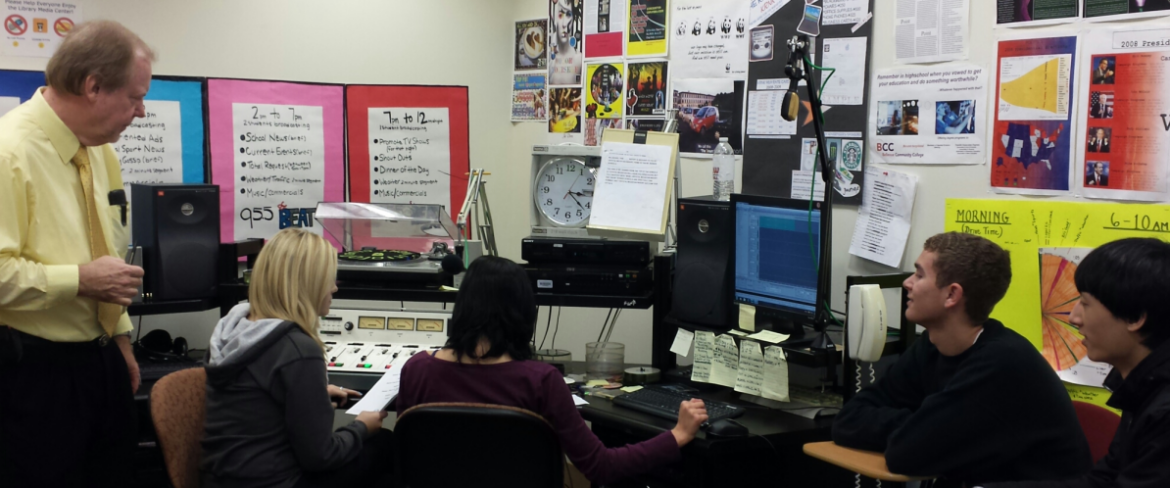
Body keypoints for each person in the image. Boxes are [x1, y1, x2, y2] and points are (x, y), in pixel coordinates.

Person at [395, 256, 709, 486]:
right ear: (522, 315)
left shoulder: (417, 370)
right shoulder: (540, 381)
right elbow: (602, 467)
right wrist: (677, 435)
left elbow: (407, 458)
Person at [0, 20, 152, 487]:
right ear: (93, 86)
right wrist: (81, 280)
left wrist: (122, 342)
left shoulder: (100, 152)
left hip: (101, 359)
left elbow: (106, 251)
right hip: (33, 373)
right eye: (134, 97)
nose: (141, 112)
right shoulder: (11, 154)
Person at [832, 232, 1092, 488]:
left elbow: (906, 455)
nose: (907, 283)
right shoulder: (932, 346)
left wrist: (921, 428)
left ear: (951, 295)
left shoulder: (1001, 363)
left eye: (920, 274)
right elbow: (848, 419)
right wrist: (920, 424)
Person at [201, 228, 393, 488]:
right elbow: (321, 457)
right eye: (328, 279)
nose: (334, 287)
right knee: (386, 444)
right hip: (278, 482)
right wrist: (361, 426)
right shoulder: (298, 349)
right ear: (308, 284)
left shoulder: (232, 330)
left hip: (223, 478)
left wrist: (314, 395)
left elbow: (254, 404)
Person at [980, 238, 1170, 488]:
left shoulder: (1163, 412)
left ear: (1135, 318)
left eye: (1086, 303)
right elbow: (1102, 481)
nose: (1073, 317)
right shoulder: (1142, 388)